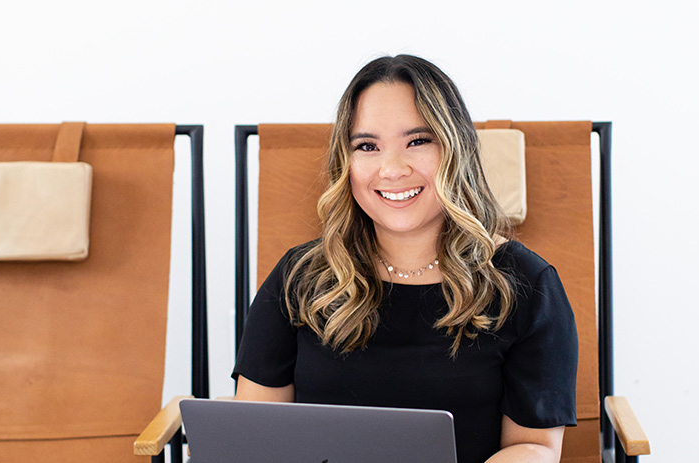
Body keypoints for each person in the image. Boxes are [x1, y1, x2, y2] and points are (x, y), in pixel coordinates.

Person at [233, 55, 578, 463]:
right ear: (346, 163)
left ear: (455, 149)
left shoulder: (525, 284)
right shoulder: (299, 278)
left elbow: (533, 446)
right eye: (367, 146)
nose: (392, 169)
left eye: (418, 140)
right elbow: (253, 436)